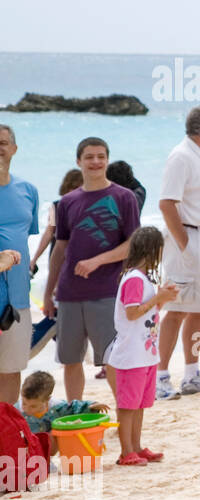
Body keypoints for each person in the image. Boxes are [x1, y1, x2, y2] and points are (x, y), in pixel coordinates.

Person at [44, 137, 140, 402]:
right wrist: (48, 293)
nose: (95, 162)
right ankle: (76, 409)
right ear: (79, 161)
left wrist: (98, 260)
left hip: (107, 291)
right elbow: (60, 249)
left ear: (107, 160)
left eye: (100, 156)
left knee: (112, 360)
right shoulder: (66, 202)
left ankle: (124, 413)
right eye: (89, 157)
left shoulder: (124, 197)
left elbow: (134, 244)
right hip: (69, 293)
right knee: (71, 361)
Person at [156, 105, 200, 399]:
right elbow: (166, 203)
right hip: (191, 237)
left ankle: (192, 371)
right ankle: (160, 375)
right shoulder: (181, 156)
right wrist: (185, 245)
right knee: (177, 309)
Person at [107, 226, 177, 465]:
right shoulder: (135, 279)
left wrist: (161, 299)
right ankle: (126, 451)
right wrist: (159, 298)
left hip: (144, 353)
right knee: (128, 405)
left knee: (138, 405)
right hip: (131, 354)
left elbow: (146, 315)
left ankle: (135, 447)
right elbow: (132, 312)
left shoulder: (142, 279)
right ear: (153, 250)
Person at [0, 125, 40, 406]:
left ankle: (5, 431)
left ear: (14, 149)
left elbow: (24, 239)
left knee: (11, 370)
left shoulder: (28, 190)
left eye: (3, 142)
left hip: (18, 299)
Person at [18, 370, 108, 460]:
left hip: (49, 448)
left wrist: (91, 406)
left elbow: (75, 407)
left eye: (33, 406)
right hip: (28, 448)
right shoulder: (17, 410)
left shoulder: (57, 407)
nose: (27, 409)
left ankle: (46, 460)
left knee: (55, 432)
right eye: (24, 403)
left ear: (47, 400)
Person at [30, 169, 81, 276]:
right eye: (74, 187)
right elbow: (49, 233)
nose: (77, 192)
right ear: (67, 188)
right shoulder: (56, 206)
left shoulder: (87, 209)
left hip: (79, 258)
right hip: (58, 256)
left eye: (80, 188)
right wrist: (34, 259)